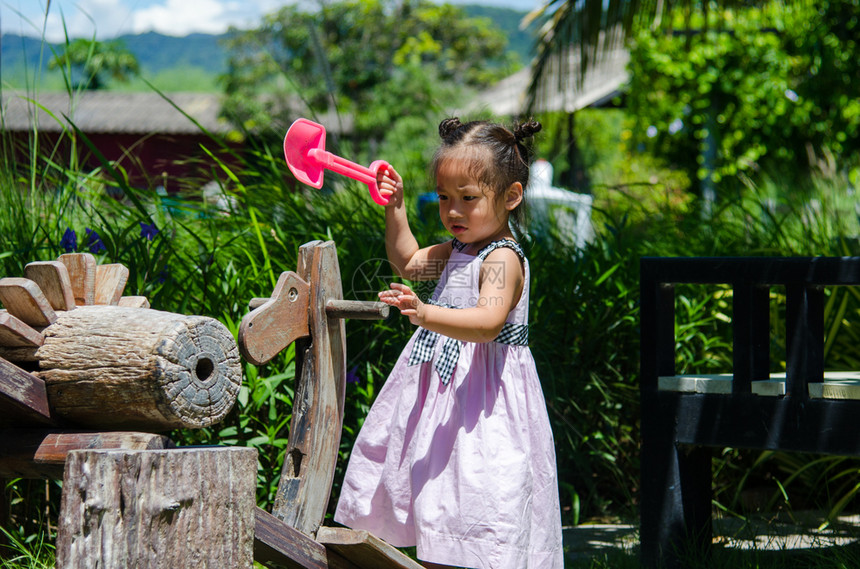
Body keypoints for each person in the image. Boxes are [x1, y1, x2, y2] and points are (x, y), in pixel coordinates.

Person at [334, 117, 564, 569]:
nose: (453, 211)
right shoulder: (456, 251)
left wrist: (424, 314)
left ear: (511, 197)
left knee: (478, 489)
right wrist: (395, 207)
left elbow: (486, 322)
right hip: (443, 398)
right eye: (444, 198)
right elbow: (407, 261)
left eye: (468, 199)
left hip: (484, 404)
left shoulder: (501, 257)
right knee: (440, 492)